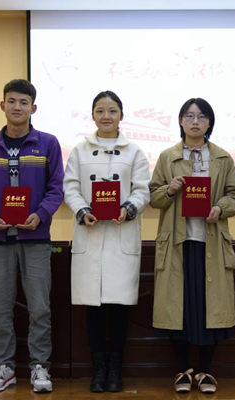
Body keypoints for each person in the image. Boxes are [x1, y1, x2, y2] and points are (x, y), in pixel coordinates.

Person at [0, 79, 64, 393]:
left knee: (40, 308)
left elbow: (56, 188)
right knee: (0, 309)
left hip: (36, 239)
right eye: (11, 101)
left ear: (33, 108)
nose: (17, 107)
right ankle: (4, 367)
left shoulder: (48, 144)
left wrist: (41, 214)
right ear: (2, 105)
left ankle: (40, 366)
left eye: (23, 102)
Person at [149, 98, 235, 394]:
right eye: (189, 116)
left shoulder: (222, 158)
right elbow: (153, 197)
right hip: (179, 243)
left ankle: (205, 371)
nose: (195, 121)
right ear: (180, 121)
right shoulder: (167, 157)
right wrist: (170, 189)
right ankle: (183, 370)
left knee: (208, 311)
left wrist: (220, 208)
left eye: (201, 116)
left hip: (210, 242)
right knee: (177, 310)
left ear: (209, 123)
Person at [63, 91, 150, 393]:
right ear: (92, 115)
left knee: (119, 307)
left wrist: (129, 208)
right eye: (100, 110)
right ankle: (98, 370)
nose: (106, 116)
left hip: (120, 235)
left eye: (112, 111)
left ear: (121, 115)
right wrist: (82, 210)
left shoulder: (134, 152)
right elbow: (71, 187)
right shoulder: (80, 151)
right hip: (91, 235)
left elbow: (143, 190)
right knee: (94, 309)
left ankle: (116, 370)